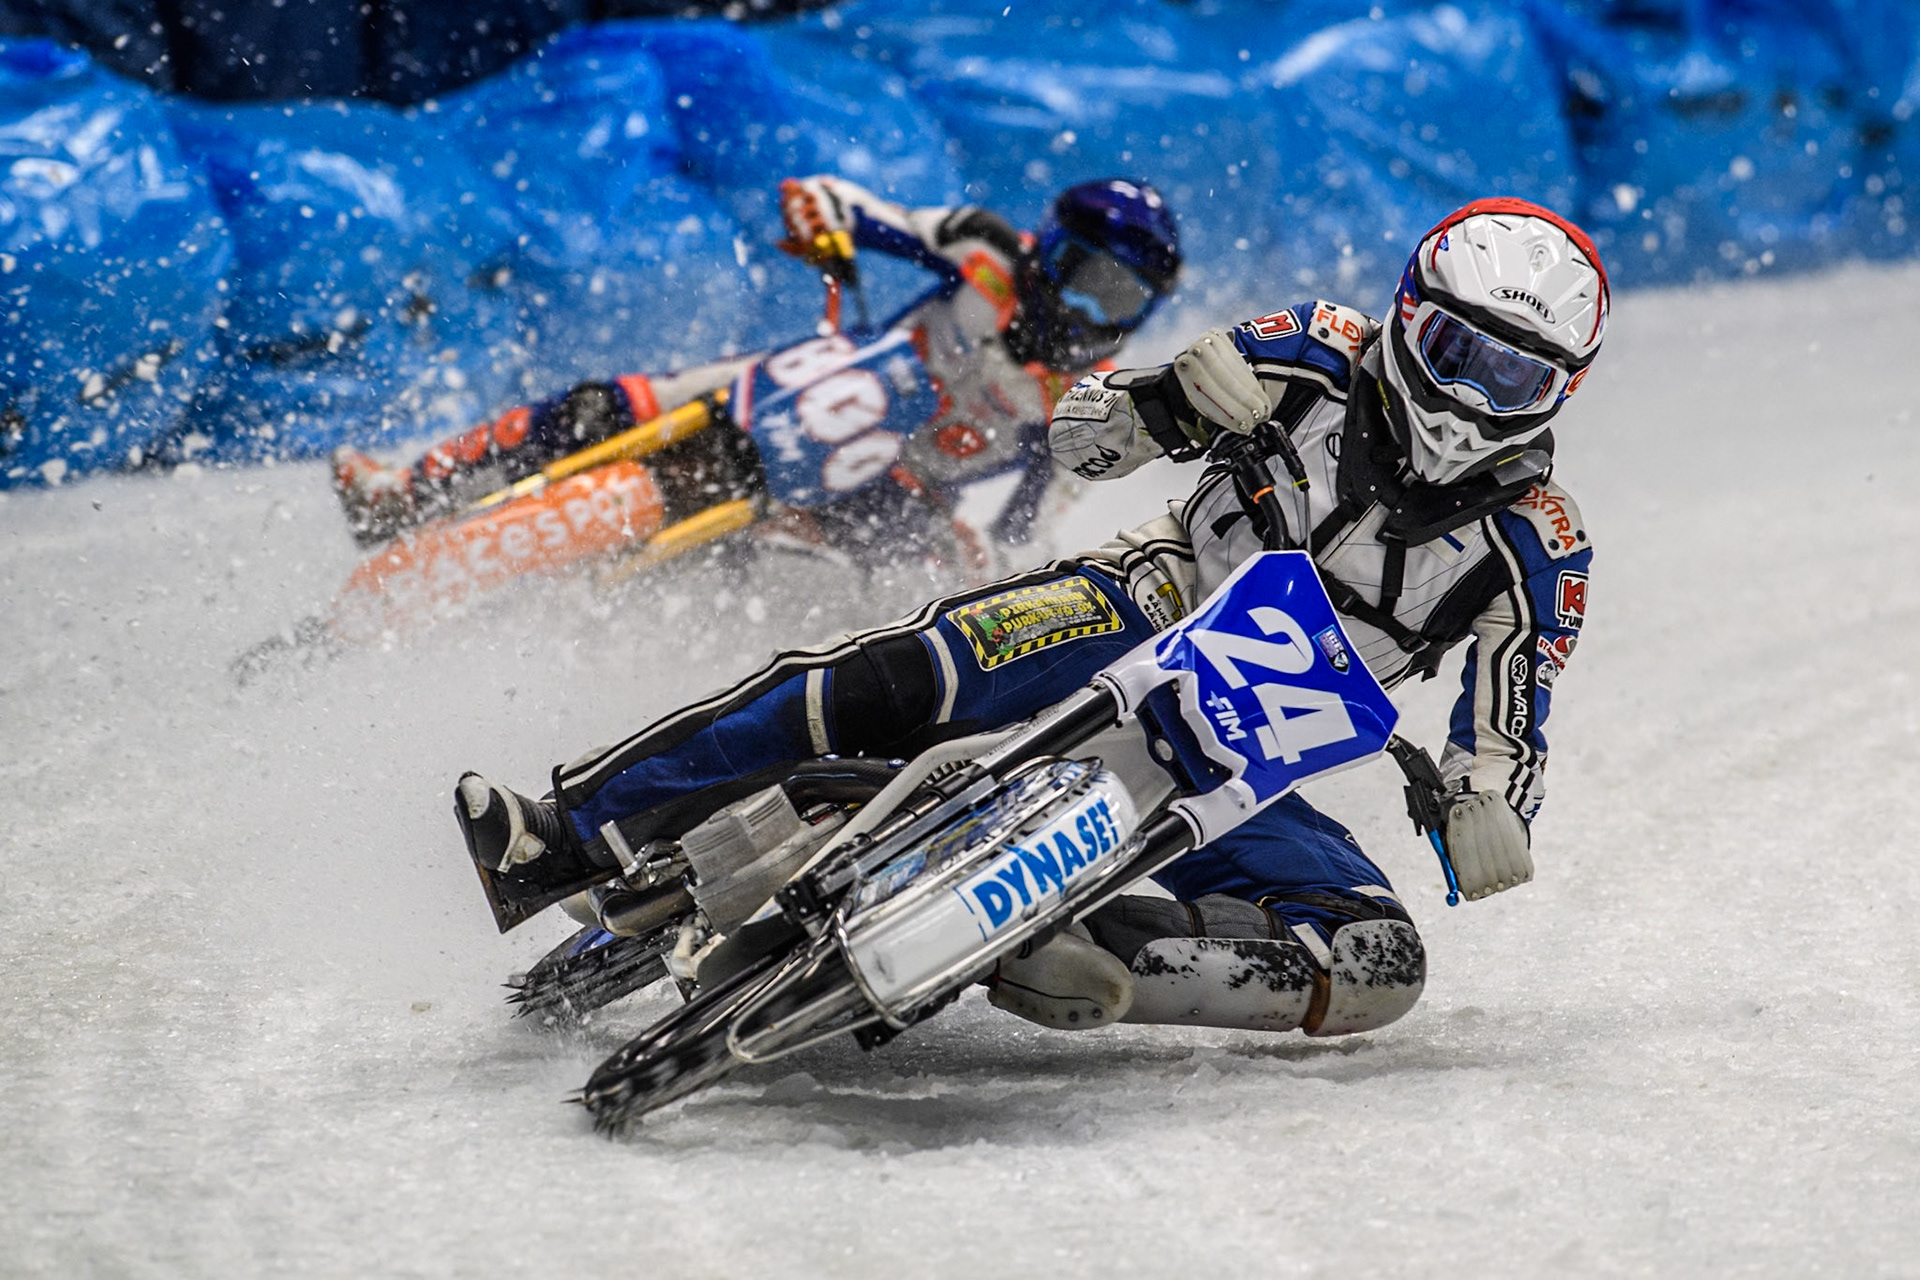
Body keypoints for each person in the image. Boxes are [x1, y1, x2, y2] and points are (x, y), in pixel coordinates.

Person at [452, 197, 1604, 1041]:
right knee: (910, 671)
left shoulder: (1540, 545)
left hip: (1244, 757)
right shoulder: (1318, 348)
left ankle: (1082, 943)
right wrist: (1167, 398)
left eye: (1514, 381)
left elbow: (1509, 725)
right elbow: (1082, 436)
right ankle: (563, 833)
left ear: (1563, 393)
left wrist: (1482, 805)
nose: (1466, 401)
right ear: (1409, 317)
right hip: (1139, 602)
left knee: (1377, 955)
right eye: (1456, 352)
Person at [330, 174, 1182, 569]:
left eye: (1115, 297)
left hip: (887, 491)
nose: (1082, 308)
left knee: (845, 579)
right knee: (603, 405)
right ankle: (407, 487)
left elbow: (1026, 535)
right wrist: (821, 215)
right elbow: (856, 208)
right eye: (1078, 272)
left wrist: (975, 555)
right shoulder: (986, 248)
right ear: (1046, 248)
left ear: (1140, 316)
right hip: (812, 379)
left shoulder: (1086, 408)